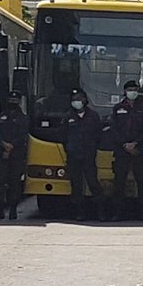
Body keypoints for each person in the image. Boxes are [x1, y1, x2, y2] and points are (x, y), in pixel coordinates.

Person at [111, 79, 143, 221]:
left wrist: (135, 144)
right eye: (130, 90)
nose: (132, 92)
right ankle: (118, 212)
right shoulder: (118, 108)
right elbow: (114, 129)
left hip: (139, 151)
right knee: (119, 182)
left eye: (135, 90)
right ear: (125, 91)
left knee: (142, 182)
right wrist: (125, 145)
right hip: (122, 151)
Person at [64, 88, 105, 221]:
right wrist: (69, 149)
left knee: (93, 183)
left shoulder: (93, 116)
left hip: (88, 156)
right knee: (76, 185)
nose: (77, 102)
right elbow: (63, 136)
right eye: (74, 100)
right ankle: (79, 213)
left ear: (85, 100)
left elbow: (98, 135)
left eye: (79, 99)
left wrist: (92, 147)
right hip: (73, 157)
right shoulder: (68, 117)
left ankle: (101, 212)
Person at [0, 90, 29, 221]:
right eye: (11, 100)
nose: (12, 102)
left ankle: (13, 210)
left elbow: (22, 135)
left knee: (14, 184)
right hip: (2, 155)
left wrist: (10, 146)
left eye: (15, 100)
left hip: (16, 156)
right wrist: (3, 145)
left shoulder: (23, 118)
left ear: (19, 101)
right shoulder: (2, 116)